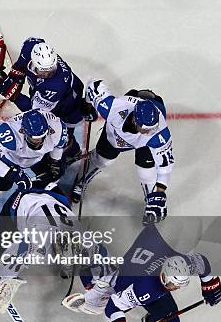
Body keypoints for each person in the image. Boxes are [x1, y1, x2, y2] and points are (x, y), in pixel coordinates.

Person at [63, 225, 221, 322]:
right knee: (98, 301)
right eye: (174, 285)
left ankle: (91, 255)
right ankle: (88, 273)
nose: (176, 288)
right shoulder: (146, 289)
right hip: (122, 283)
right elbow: (114, 306)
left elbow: (200, 261)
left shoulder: (179, 263)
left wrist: (211, 284)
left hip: (137, 267)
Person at [0, 37, 97, 174]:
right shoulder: (32, 46)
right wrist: (11, 82)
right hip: (49, 93)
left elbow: (36, 113)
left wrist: (12, 94)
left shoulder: (55, 85)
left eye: (51, 70)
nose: (48, 73)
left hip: (66, 106)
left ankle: (73, 153)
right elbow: (19, 67)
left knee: (62, 137)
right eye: (44, 71)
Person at [0, 184, 82, 313]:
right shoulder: (39, 242)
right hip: (18, 205)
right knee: (0, 252)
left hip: (54, 199)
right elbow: (14, 256)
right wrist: (5, 284)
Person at [73, 79, 174, 224]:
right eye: (146, 130)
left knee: (146, 170)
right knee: (103, 160)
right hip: (114, 134)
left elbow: (165, 167)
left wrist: (159, 194)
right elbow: (93, 85)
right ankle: (82, 181)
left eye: (153, 128)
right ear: (134, 121)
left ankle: (150, 202)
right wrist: (88, 105)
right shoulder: (113, 107)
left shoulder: (158, 134)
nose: (150, 132)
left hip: (143, 144)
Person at [0, 109, 68, 221]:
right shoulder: (8, 133)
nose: (38, 142)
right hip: (11, 159)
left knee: (55, 174)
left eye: (41, 138)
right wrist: (14, 174)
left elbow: (58, 146)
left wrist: (55, 161)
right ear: (23, 131)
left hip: (37, 158)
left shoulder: (58, 128)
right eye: (34, 140)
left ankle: (47, 202)